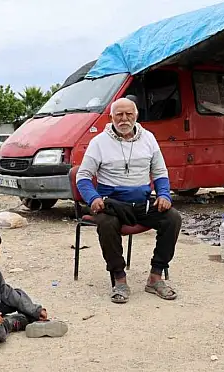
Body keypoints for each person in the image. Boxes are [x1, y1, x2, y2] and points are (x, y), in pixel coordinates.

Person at [76, 97, 181, 304]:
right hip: (112, 204)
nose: (124, 119)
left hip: (143, 203)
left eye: (128, 114)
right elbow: (83, 177)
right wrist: (94, 198)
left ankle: (155, 277)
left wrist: (164, 195)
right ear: (111, 117)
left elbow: (160, 172)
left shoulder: (149, 138)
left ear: (136, 115)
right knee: (106, 223)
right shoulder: (99, 143)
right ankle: (119, 279)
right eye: (119, 115)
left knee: (172, 218)